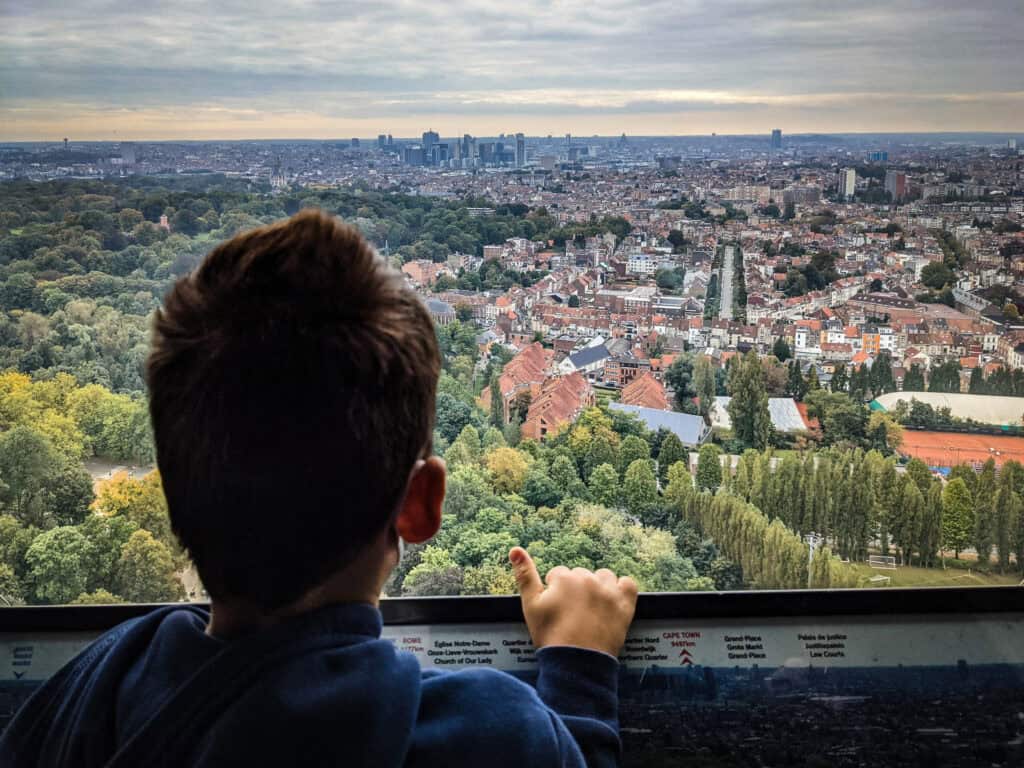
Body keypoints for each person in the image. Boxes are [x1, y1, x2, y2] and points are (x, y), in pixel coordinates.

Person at [0, 210, 638, 767]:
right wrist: (580, 671)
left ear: (175, 493)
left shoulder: (101, 683)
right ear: (420, 506)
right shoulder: (486, 732)